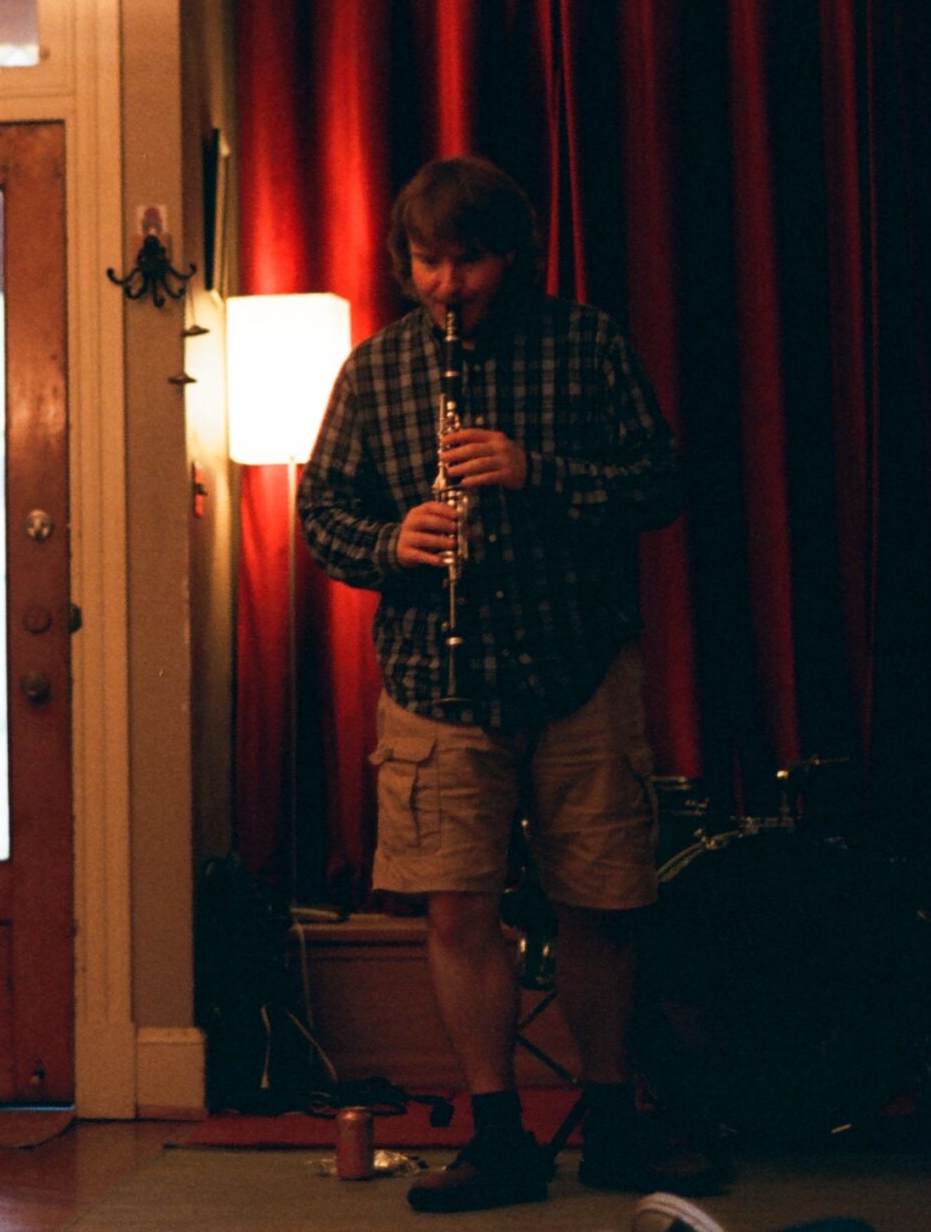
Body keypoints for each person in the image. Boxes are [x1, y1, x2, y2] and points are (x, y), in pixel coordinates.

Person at [296, 155, 719, 1212]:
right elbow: (322, 518)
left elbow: (660, 482)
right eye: (427, 263)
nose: (447, 285)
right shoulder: (377, 368)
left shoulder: (583, 343)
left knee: (603, 903)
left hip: (577, 668)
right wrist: (394, 541)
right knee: (455, 913)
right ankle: (499, 1136)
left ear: (514, 257)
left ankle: (613, 1128)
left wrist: (538, 473)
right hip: (437, 686)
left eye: (469, 262)